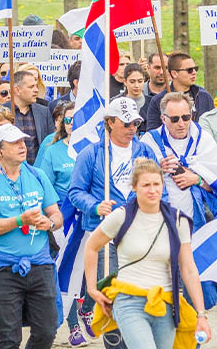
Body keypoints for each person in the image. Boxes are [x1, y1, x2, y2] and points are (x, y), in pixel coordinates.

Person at [85, 158, 211, 349]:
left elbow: (188, 268)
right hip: (129, 300)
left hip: (165, 302)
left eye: (156, 184)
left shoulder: (178, 220)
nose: (152, 190)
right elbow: (91, 246)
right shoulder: (121, 215)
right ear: (134, 187)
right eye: (146, 185)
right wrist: (92, 289)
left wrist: (201, 314)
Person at [67, 97, 159, 339]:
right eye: (126, 124)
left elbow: (159, 188)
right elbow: (75, 191)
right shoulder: (91, 154)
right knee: (111, 288)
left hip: (139, 231)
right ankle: (114, 338)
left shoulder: (145, 150)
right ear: (110, 122)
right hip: (104, 232)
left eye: (136, 124)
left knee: (138, 289)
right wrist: (96, 206)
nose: (132, 129)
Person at [0, 123, 64, 349]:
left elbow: (57, 215)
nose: (23, 146)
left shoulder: (37, 175)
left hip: (40, 266)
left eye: (23, 141)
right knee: (9, 338)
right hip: (3, 269)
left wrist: (49, 223)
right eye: (15, 143)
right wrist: (21, 220)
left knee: (47, 332)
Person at [141, 92, 217, 229]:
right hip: (161, 221)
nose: (181, 124)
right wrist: (157, 169)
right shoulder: (150, 142)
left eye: (186, 117)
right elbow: (136, 182)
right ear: (163, 118)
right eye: (175, 119)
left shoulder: (203, 139)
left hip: (198, 221)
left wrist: (197, 179)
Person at [144, 52, 213, 132]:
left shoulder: (204, 96)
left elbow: (213, 127)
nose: (194, 72)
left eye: (195, 69)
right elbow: (153, 134)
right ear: (174, 73)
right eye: (189, 70)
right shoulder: (158, 101)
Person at [4, 70, 54, 165]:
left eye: (36, 86)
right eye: (31, 87)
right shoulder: (2, 112)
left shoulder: (44, 112)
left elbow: (51, 142)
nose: (36, 90)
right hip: (11, 170)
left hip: (38, 171)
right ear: (17, 90)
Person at [37, 102, 77, 206]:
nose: (71, 123)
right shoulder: (52, 151)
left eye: (75, 118)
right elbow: (45, 186)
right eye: (68, 120)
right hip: (62, 208)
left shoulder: (93, 149)